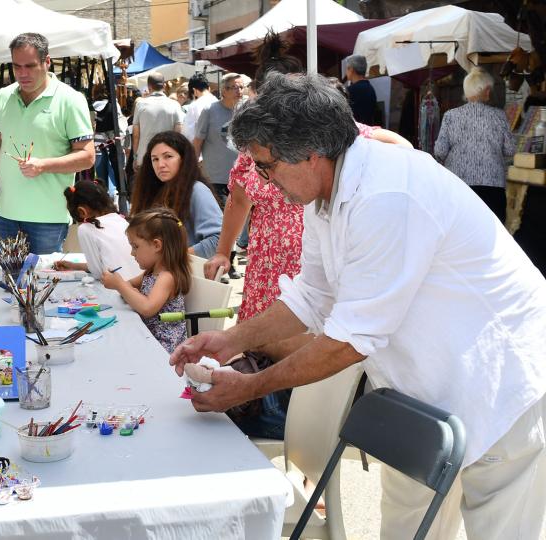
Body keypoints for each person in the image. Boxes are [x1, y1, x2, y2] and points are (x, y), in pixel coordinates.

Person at [173, 72, 546, 540]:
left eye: (266, 166)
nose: (262, 180)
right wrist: (230, 340)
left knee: (500, 526)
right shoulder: (323, 193)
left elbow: (347, 340)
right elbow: (311, 295)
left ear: (310, 154)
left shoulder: (386, 196)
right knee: (408, 526)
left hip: (497, 380)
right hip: (424, 393)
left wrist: (248, 386)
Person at [204, 34, 411, 321]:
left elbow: (399, 147)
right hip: (269, 268)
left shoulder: (327, 131)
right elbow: (239, 201)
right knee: (263, 346)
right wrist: (223, 252)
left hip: (319, 266)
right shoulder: (254, 147)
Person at [0, 32, 95, 255]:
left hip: (48, 220)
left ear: (47, 62)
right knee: (2, 286)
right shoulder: (3, 96)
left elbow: (87, 156)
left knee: (44, 287)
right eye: (17, 66)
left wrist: (43, 165)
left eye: (30, 66)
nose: (22, 73)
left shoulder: (71, 99)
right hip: (2, 215)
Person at [102, 208, 191, 353]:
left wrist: (119, 284)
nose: (132, 253)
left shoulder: (167, 277)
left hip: (164, 347)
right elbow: (129, 286)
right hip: (147, 336)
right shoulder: (149, 274)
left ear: (157, 245)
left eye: (135, 246)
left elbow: (147, 308)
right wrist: (127, 288)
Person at [433, 67, 515, 222]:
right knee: (493, 233)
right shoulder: (499, 116)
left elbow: (440, 151)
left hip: (459, 186)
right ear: (487, 91)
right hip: (493, 186)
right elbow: (510, 149)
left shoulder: (451, 116)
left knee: (461, 232)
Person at [131, 131, 222, 258]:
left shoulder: (196, 190)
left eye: (168, 156)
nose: (160, 164)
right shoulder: (151, 192)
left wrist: (175, 259)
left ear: (183, 158)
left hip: (186, 274)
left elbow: (218, 240)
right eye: (155, 159)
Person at [53, 179, 138, 280]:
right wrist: (74, 266)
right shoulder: (120, 219)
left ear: (82, 212)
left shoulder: (85, 229)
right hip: (139, 284)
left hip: (119, 288)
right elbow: (107, 264)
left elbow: (97, 273)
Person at [193, 72, 244, 200]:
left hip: (241, 178)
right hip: (216, 179)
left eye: (242, 87)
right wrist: (192, 170)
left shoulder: (245, 111)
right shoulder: (209, 110)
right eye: (235, 87)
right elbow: (198, 141)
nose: (240, 91)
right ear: (224, 91)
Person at [132, 72, 185, 171]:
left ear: (149, 87)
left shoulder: (140, 104)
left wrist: (135, 157)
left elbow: (136, 135)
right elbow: (179, 133)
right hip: (168, 157)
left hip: (145, 156)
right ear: (164, 86)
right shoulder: (175, 105)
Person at [183, 73, 218, 144]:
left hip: (201, 150)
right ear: (209, 88)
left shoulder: (194, 106)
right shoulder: (219, 103)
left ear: (194, 90)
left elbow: (188, 134)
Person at [344, 54, 377, 125]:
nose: (346, 72)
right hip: (367, 130)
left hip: (355, 131)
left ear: (351, 69)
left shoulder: (351, 90)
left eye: (347, 68)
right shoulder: (370, 88)